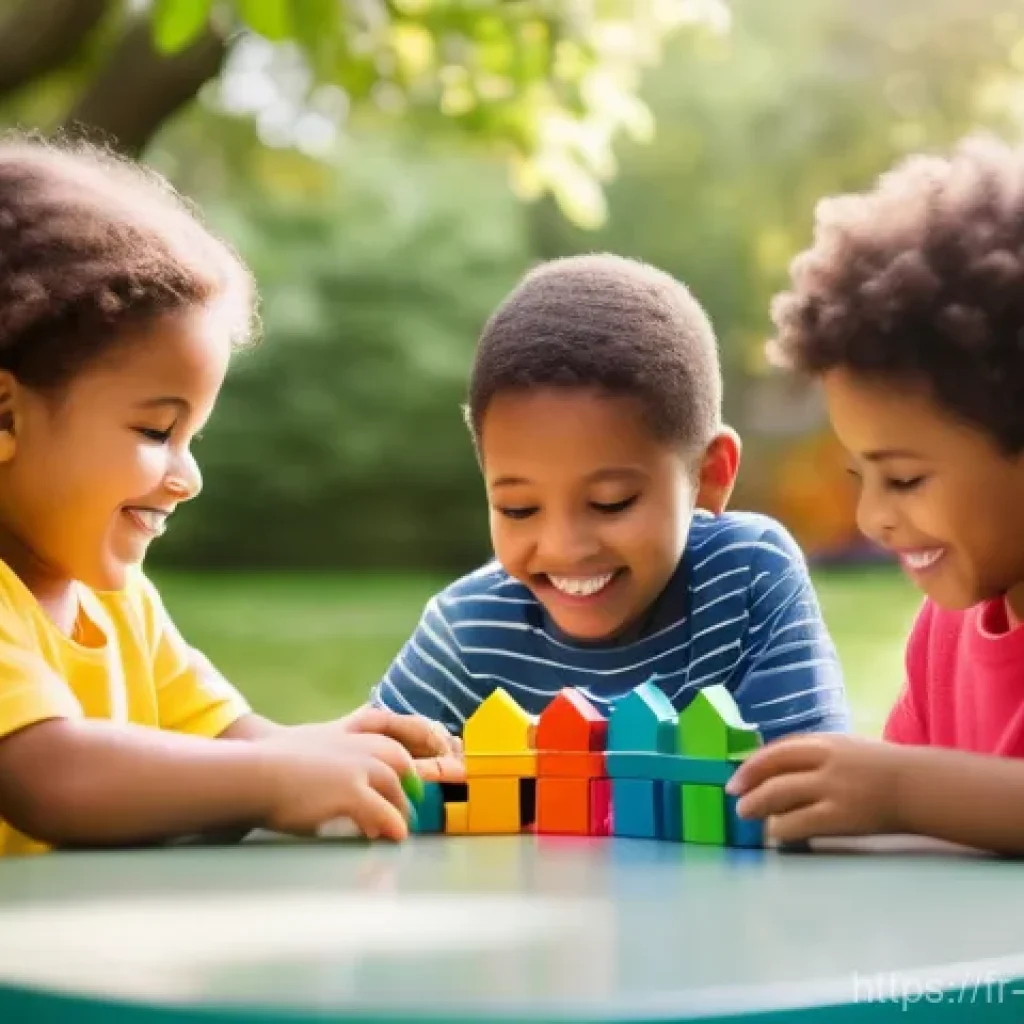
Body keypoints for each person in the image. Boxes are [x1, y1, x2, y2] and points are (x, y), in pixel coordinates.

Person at [0, 136, 457, 857]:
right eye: (156, 430)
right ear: (6, 415)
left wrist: (331, 749)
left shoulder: (123, 604)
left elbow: (231, 746)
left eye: (194, 438)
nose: (188, 476)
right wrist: (277, 778)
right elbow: (48, 776)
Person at [370, 254, 850, 743]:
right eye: (519, 508)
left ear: (709, 474)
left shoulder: (748, 576)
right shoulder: (465, 633)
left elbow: (809, 779)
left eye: (611, 502)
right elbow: (366, 769)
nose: (563, 547)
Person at [728, 136, 1024, 855]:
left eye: (906, 479)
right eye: (861, 476)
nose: (872, 519)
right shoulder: (944, 634)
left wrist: (902, 790)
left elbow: (911, 794)